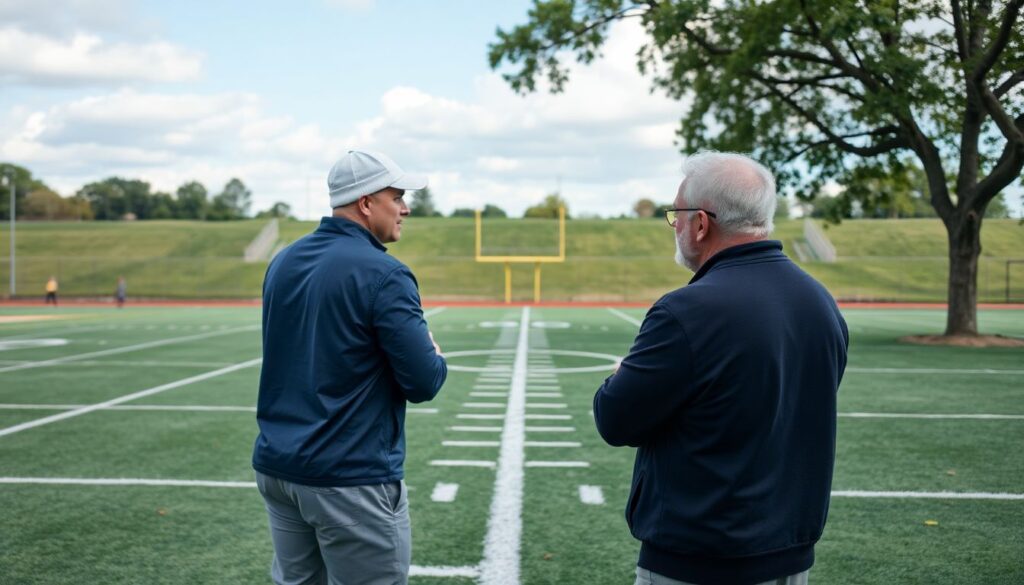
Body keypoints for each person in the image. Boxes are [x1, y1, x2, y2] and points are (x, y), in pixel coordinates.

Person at [593, 152, 849, 585]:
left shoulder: (687, 310)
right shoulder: (820, 301)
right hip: (790, 559)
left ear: (700, 224)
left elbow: (614, 420)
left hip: (696, 560)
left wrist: (620, 375)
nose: (675, 228)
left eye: (677, 215)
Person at [252, 149, 447, 585]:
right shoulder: (385, 272)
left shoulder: (283, 261)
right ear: (365, 202)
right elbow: (423, 381)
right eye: (396, 196)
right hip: (348, 475)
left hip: (278, 468)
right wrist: (434, 353)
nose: (405, 207)